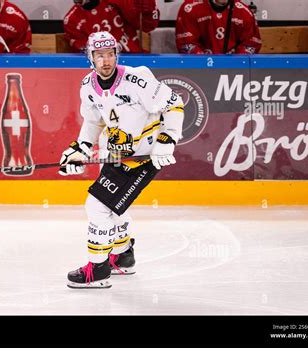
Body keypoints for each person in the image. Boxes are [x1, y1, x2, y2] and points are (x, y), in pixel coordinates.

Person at [59, 31, 184, 289]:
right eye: (99, 55)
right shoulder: (87, 86)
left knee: (96, 207)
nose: (105, 61)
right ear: (90, 58)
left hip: (143, 157)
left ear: (117, 54)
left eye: (110, 55)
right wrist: (80, 148)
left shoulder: (137, 79)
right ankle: (123, 257)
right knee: (114, 208)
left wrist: (168, 139)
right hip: (115, 154)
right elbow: (93, 121)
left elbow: (174, 103)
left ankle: (98, 269)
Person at [63, 0, 159, 53]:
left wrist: (148, 12)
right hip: (102, 69)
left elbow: (148, 26)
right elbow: (85, 54)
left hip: (133, 60)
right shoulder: (71, 20)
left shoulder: (116, 2)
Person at [175, 0, 262, 54]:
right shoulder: (190, 8)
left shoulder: (244, 12)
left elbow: (252, 43)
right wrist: (205, 61)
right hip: (200, 69)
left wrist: (236, 62)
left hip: (233, 70)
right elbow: (186, 44)